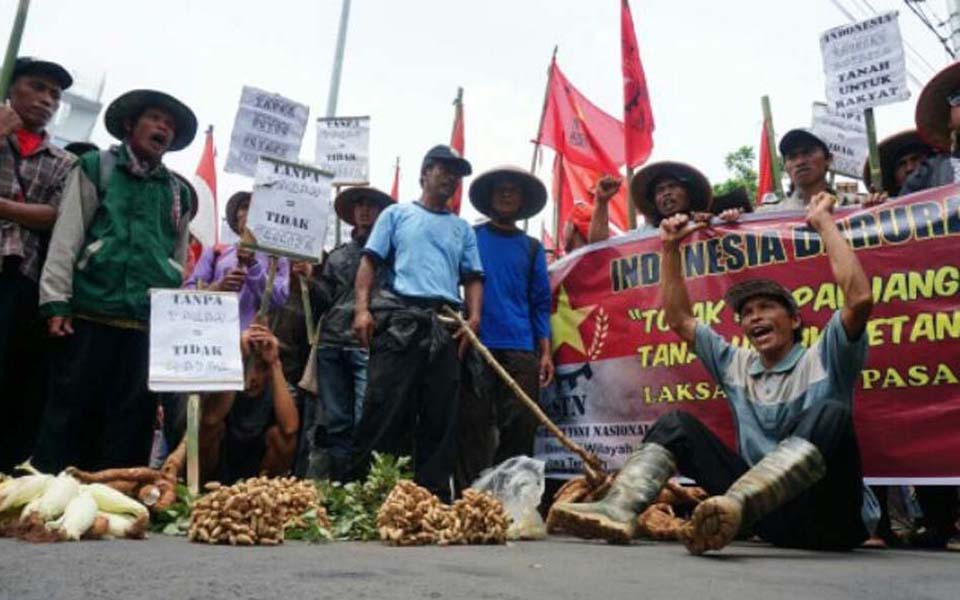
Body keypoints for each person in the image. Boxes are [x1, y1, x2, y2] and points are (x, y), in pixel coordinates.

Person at [551, 191, 878, 554]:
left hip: (833, 520)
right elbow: (679, 319)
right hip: (765, 518)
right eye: (747, 312)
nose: (755, 316)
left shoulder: (826, 356)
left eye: (766, 307)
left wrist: (823, 223)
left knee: (831, 413)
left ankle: (736, 503)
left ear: (795, 319)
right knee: (677, 425)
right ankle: (616, 509)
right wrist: (671, 249)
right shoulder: (736, 365)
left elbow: (859, 299)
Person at [34, 89, 197, 472]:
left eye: (170, 125)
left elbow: (178, 258)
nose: (163, 128)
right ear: (130, 125)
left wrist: (173, 320)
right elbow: (68, 235)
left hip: (145, 324)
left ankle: (116, 501)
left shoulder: (178, 192)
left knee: (132, 419)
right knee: (70, 411)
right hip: (91, 313)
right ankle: (49, 496)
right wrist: (55, 299)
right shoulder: (95, 168)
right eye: (156, 119)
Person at [348, 145, 483, 501]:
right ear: (424, 173)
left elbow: (473, 277)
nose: (451, 178)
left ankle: (432, 498)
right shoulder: (396, 215)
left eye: (456, 173)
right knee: (385, 408)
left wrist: (473, 318)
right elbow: (369, 264)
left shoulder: (462, 229)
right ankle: (369, 493)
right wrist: (362, 311)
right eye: (444, 170)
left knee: (441, 415)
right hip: (399, 320)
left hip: (446, 325)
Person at [0, 57, 76, 472]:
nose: (46, 99)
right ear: (12, 89)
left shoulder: (63, 162)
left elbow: (57, 215)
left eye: (55, 95)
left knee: (18, 375)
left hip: (26, 277)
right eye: (37, 87)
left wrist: (4, 206)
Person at [456, 166, 553, 489]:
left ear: (522, 200)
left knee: (521, 423)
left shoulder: (532, 248)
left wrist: (545, 352)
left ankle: (509, 497)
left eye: (513, 189)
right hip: (475, 344)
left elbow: (540, 303)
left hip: (520, 346)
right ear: (490, 197)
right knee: (472, 423)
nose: (507, 193)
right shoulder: (471, 236)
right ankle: (471, 499)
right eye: (501, 188)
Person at [301, 185, 393, 480]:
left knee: (365, 418)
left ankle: (365, 485)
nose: (365, 210)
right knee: (337, 422)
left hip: (368, 346)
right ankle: (343, 488)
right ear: (352, 213)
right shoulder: (338, 257)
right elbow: (323, 300)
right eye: (359, 205)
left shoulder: (392, 254)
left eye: (371, 205)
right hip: (331, 346)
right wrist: (308, 279)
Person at [199, 323, 299, 484]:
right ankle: (200, 488)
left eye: (261, 368)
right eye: (247, 367)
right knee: (209, 430)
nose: (252, 378)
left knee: (283, 439)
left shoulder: (278, 385)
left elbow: (289, 428)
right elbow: (210, 420)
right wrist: (235, 360)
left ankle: (267, 492)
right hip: (221, 460)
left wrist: (274, 363)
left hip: (258, 464)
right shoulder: (224, 382)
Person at [185, 191, 289, 329]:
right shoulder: (216, 252)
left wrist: (253, 266)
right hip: (215, 335)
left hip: (253, 342)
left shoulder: (276, 258)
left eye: (258, 208)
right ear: (236, 216)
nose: (250, 212)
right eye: (245, 207)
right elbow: (189, 292)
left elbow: (278, 299)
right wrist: (218, 287)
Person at [758, 129, 857, 212]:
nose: (800, 162)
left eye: (808, 153)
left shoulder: (856, 205)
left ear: (828, 159)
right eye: (792, 157)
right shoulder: (769, 215)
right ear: (785, 167)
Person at [862, 130, 932, 197]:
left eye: (915, 159)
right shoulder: (888, 206)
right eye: (902, 164)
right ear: (894, 176)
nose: (909, 168)